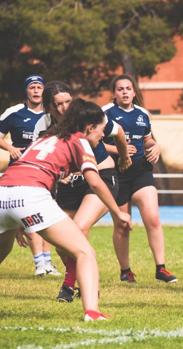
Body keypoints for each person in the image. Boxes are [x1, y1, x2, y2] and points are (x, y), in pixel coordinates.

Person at [0, 98, 131, 321]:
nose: (102, 135)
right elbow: (96, 182)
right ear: (89, 127)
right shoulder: (80, 141)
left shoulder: (46, 137)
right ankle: (92, 311)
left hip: (4, 190)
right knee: (84, 252)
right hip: (30, 194)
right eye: (101, 130)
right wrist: (118, 213)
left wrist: (18, 218)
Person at [40, 82, 132, 302]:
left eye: (67, 102)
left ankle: (69, 285)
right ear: (49, 108)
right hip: (68, 185)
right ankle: (83, 281)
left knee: (79, 228)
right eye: (58, 104)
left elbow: (118, 133)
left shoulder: (86, 116)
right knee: (61, 241)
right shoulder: (43, 126)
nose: (64, 108)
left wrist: (124, 157)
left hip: (100, 176)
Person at [102, 74, 177, 284]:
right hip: (117, 174)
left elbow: (149, 140)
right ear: (114, 93)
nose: (125, 92)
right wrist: (117, 149)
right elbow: (93, 142)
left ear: (134, 92)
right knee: (123, 225)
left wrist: (157, 147)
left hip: (141, 171)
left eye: (128, 88)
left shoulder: (142, 113)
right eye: (120, 89)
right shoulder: (105, 113)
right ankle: (125, 271)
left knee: (152, 218)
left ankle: (161, 268)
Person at [0, 74, 60, 276]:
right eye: (32, 87)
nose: (36, 90)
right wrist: (10, 147)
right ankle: (39, 263)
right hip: (20, 171)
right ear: (26, 91)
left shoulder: (52, 114)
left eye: (39, 87)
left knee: (47, 213)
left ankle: (48, 262)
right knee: (31, 214)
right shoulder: (14, 112)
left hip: (46, 170)